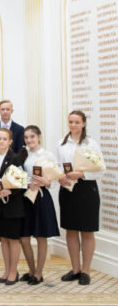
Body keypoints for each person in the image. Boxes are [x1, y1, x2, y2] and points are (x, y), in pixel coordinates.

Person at [56, 111, 105, 285]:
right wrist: (59, 175)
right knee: (70, 229)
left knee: (87, 230)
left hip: (86, 189)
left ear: (83, 123)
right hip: (68, 189)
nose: (73, 125)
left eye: (77, 122)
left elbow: (101, 169)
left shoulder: (91, 143)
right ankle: (75, 269)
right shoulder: (61, 143)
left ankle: (86, 270)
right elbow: (56, 166)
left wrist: (81, 174)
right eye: (70, 122)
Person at [20, 125, 59, 285]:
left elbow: (55, 180)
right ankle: (31, 269)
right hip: (26, 197)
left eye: (32, 137)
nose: (29, 140)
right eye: (27, 137)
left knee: (41, 237)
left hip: (42, 198)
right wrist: (26, 184)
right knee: (23, 238)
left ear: (39, 137)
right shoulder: (23, 155)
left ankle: (38, 273)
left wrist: (45, 182)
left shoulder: (48, 155)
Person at [0, 128, 27, 285]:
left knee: (13, 239)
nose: (1, 141)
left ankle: (14, 271)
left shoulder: (16, 158)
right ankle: (7, 270)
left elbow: (22, 181)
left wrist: (10, 190)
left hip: (14, 205)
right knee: (3, 239)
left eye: (5, 139)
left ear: (10, 141)